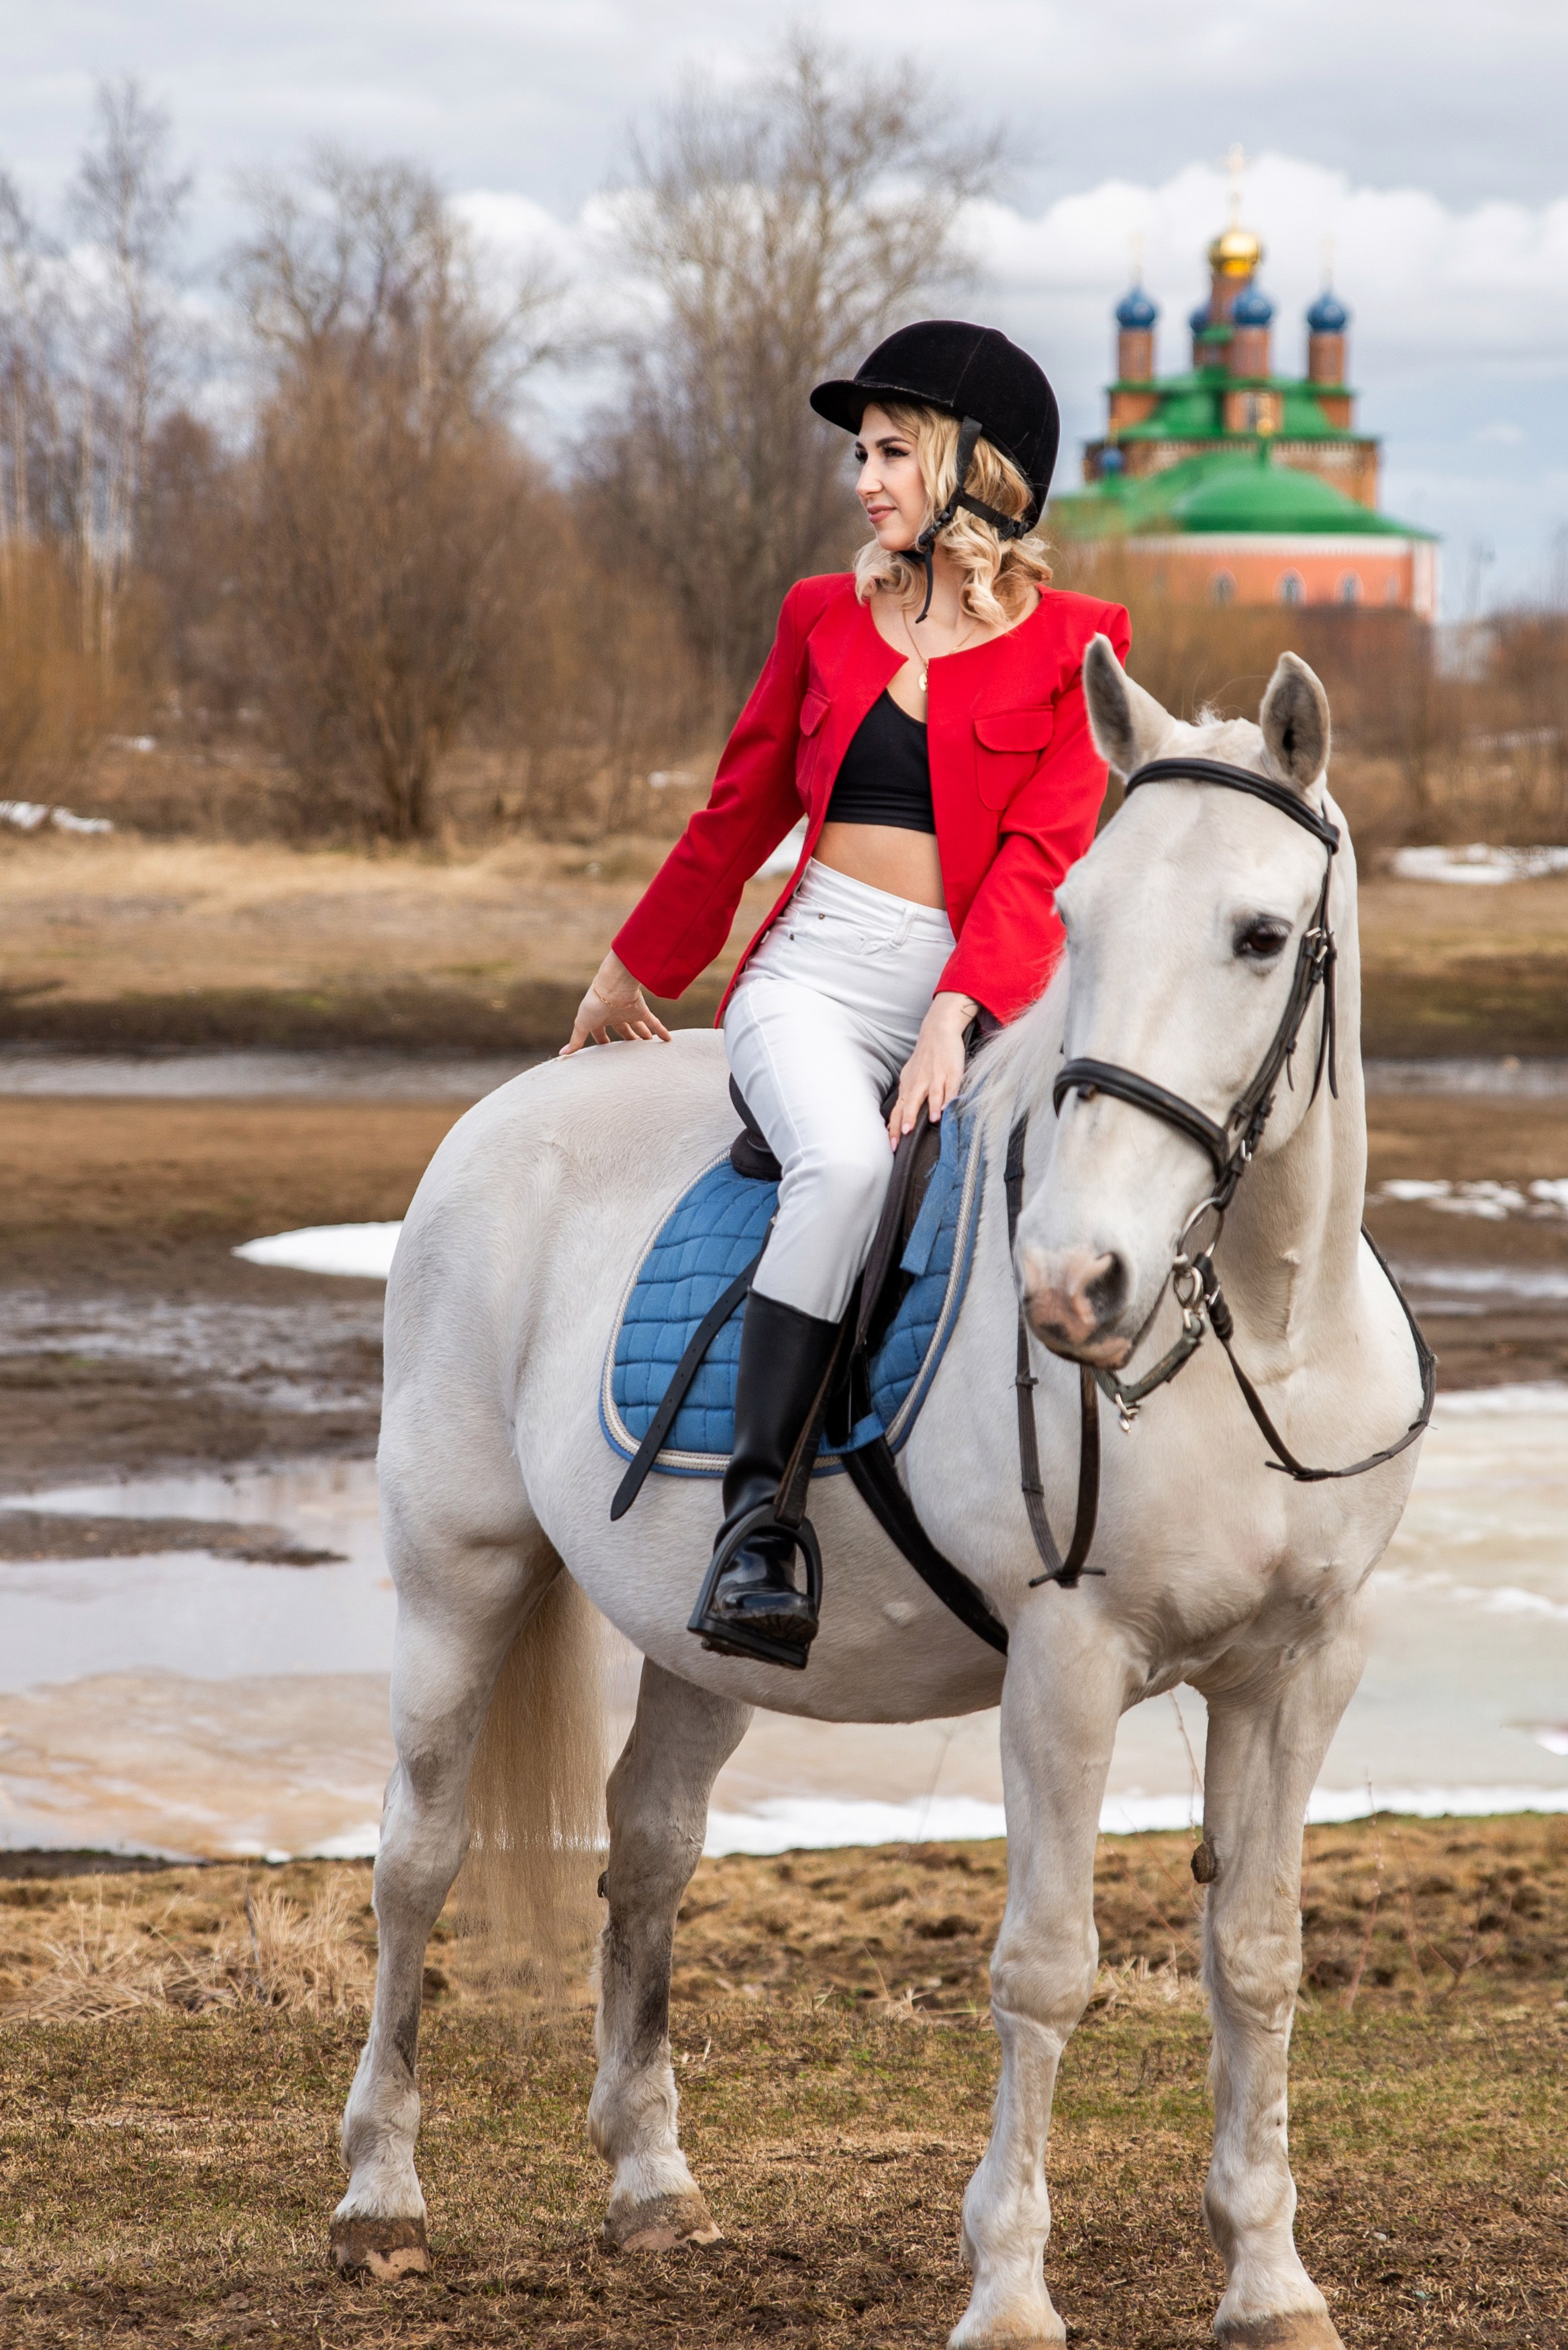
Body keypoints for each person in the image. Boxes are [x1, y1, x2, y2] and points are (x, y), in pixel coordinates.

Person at [562, 320, 1130, 1668]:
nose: (864, 478)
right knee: (838, 1167)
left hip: (974, 994)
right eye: (859, 452)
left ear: (978, 470)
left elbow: (1045, 856)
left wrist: (956, 1011)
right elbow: (736, 806)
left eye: (891, 451)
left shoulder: (1079, 646)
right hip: (811, 977)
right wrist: (632, 965)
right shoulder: (821, 614)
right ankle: (758, 1523)